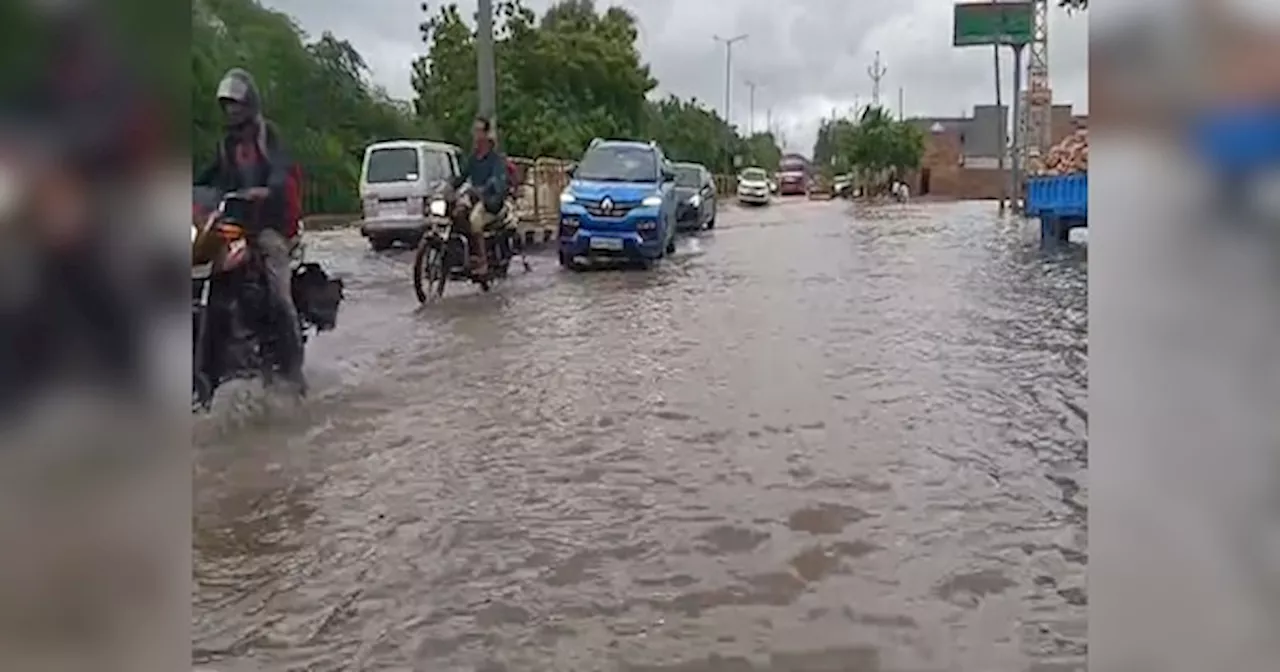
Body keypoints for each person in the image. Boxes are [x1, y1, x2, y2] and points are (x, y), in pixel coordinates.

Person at [193, 68, 306, 393]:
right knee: (205, 283)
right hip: (231, 227)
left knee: (278, 295)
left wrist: (267, 189)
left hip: (268, 228)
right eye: (227, 106)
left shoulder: (267, 136)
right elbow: (207, 178)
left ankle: (294, 372)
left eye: (236, 104)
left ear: (250, 104)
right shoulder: (226, 146)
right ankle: (206, 374)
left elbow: (281, 171)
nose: (231, 111)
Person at [451, 116, 508, 278]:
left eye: (478, 131)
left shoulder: (495, 159)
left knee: (475, 219)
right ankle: (466, 255)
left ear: (486, 134)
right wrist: (447, 187)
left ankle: (483, 261)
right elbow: (461, 176)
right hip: (475, 198)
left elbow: (497, 180)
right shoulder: (473, 157)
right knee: (457, 213)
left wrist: (486, 188)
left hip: (490, 201)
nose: (475, 134)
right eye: (474, 130)